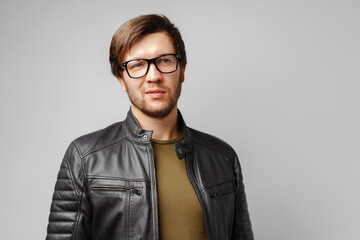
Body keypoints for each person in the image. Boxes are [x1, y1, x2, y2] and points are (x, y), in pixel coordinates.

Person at [46, 14, 254, 240]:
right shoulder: (85, 157)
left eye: (165, 60)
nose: (153, 76)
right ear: (121, 79)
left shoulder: (222, 157)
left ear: (182, 70)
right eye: (137, 65)